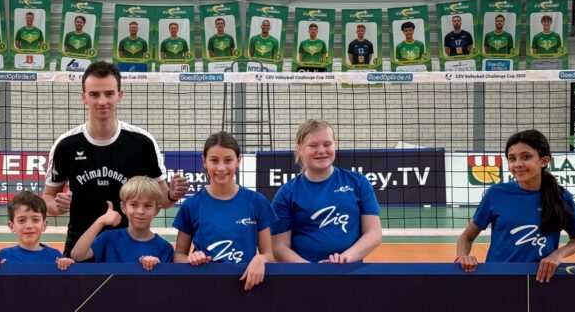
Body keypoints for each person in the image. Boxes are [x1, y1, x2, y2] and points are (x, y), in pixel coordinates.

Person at [43, 61, 189, 254]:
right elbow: (47, 198)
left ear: (120, 95)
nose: (102, 101)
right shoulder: (66, 145)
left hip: (130, 251)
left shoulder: (142, 142)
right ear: (83, 97)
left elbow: (162, 199)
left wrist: (172, 195)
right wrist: (57, 206)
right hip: (81, 250)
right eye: (94, 94)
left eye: (109, 93)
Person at [455, 129, 575, 283]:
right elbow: (467, 237)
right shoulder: (496, 194)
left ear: (544, 161)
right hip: (497, 278)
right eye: (512, 158)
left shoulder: (561, 197)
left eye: (526, 157)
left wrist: (558, 254)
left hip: (540, 279)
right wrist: (462, 256)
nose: (518, 164)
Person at [173, 132, 276, 291]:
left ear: (238, 161)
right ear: (204, 161)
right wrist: (191, 259)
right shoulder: (191, 205)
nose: (221, 168)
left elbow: (269, 255)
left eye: (228, 160)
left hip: (246, 288)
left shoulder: (257, 202)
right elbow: (179, 256)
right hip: (204, 289)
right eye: (214, 160)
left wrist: (261, 258)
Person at [272, 119, 382, 264]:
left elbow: (374, 233)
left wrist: (345, 258)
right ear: (300, 149)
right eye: (313, 145)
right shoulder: (287, 193)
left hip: (350, 271)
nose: (321, 150)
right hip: (304, 274)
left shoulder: (358, 183)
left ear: (335, 145)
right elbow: (278, 247)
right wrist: (310, 270)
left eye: (327, 144)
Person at [71, 176, 174, 269]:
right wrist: (100, 221)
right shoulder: (108, 238)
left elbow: (166, 281)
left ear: (156, 210)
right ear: (123, 207)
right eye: (133, 205)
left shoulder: (165, 248)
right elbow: (77, 255)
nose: (140, 211)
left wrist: (157, 267)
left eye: (147, 206)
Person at [0, 190, 73, 270]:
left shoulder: (55, 256)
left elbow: (66, 280)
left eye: (35, 220)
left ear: (44, 225)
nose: (29, 226)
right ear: (11, 226)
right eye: (21, 220)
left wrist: (69, 265)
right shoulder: (4, 255)